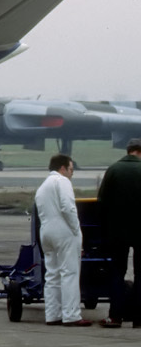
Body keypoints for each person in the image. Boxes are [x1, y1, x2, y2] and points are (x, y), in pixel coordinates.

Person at [35, 154, 88, 326]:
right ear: (63, 168)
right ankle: (71, 315)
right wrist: (76, 230)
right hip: (64, 231)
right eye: (71, 169)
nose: (72, 173)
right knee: (70, 273)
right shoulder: (62, 181)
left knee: (52, 274)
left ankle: (52, 314)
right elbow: (67, 207)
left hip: (46, 232)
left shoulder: (42, 187)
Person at [98, 139, 141, 327]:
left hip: (117, 232)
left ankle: (115, 316)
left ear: (129, 151)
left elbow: (102, 201)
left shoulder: (114, 169)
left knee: (117, 273)